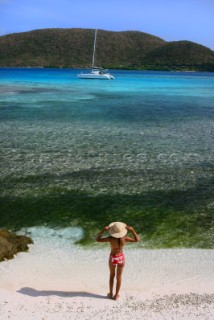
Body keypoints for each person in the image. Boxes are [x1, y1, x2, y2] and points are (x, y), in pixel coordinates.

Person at [96, 221, 140, 300]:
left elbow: (98, 239)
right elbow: (137, 240)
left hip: (113, 257)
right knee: (119, 277)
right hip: (121, 258)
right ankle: (116, 295)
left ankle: (110, 293)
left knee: (112, 275)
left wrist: (103, 230)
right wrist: (132, 230)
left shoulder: (110, 238)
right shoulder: (125, 238)